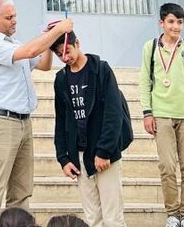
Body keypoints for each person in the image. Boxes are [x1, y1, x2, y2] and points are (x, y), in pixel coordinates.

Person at [0, 0, 73, 227]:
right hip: (1, 123)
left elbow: (44, 64)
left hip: (23, 123)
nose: (14, 21)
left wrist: (49, 40)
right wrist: (58, 30)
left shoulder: (15, 45)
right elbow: (31, 50)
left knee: (21, 191)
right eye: (8, 17)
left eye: (15, 16)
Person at [51, 27, 131, 227]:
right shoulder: (61, 79)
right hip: (78, 157)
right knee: (92, 218)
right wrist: (63, 158)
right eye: (59, 54)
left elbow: (113, 114)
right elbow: (61, 120)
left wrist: (104, 151)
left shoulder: (101, 70)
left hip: (105, 154)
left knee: (113, 218)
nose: (64, 57)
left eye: (67, 51)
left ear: (77, 44)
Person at [138, 3, 184, 227]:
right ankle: (172, 213)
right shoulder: (150, 47)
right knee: (167, 166)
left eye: (179, 22)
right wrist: (147, 112)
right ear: (161, 23)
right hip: (161, 114)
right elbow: (145, 82)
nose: (176, 26)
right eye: (171, 21)